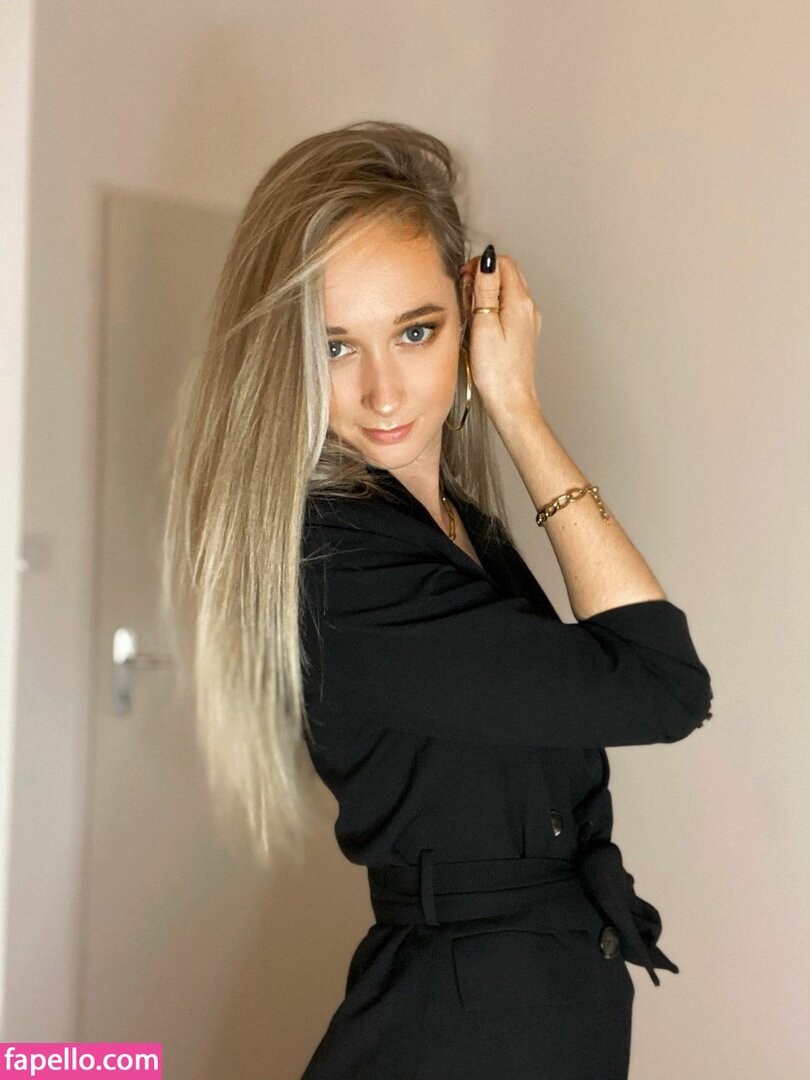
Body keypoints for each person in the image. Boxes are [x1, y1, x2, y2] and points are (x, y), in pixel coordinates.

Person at [162, 120, 713, 1080]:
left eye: (415, 332)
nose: (383, 391)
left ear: (469, 318)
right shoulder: (342, 563)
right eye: (335, 346)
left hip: (530, 1001)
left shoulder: (454, 527)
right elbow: (663, 687)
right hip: (468, 1026)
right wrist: (518, 410)